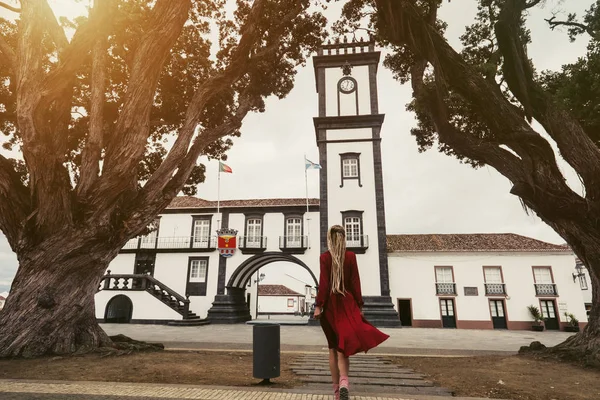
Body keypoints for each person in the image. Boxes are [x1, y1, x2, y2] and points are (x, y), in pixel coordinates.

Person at [313, 225, 390, 400]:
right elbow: (355, 282)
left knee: (333, 348)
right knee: (343, 349)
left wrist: (318, 305)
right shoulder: (350, 257)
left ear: (329, 239)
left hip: (331, 306)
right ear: (344, 238)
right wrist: (359, 306)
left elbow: (324, 284)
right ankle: (344, 382)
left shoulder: (325, 258)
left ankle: (336, 392)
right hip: (347, 304)